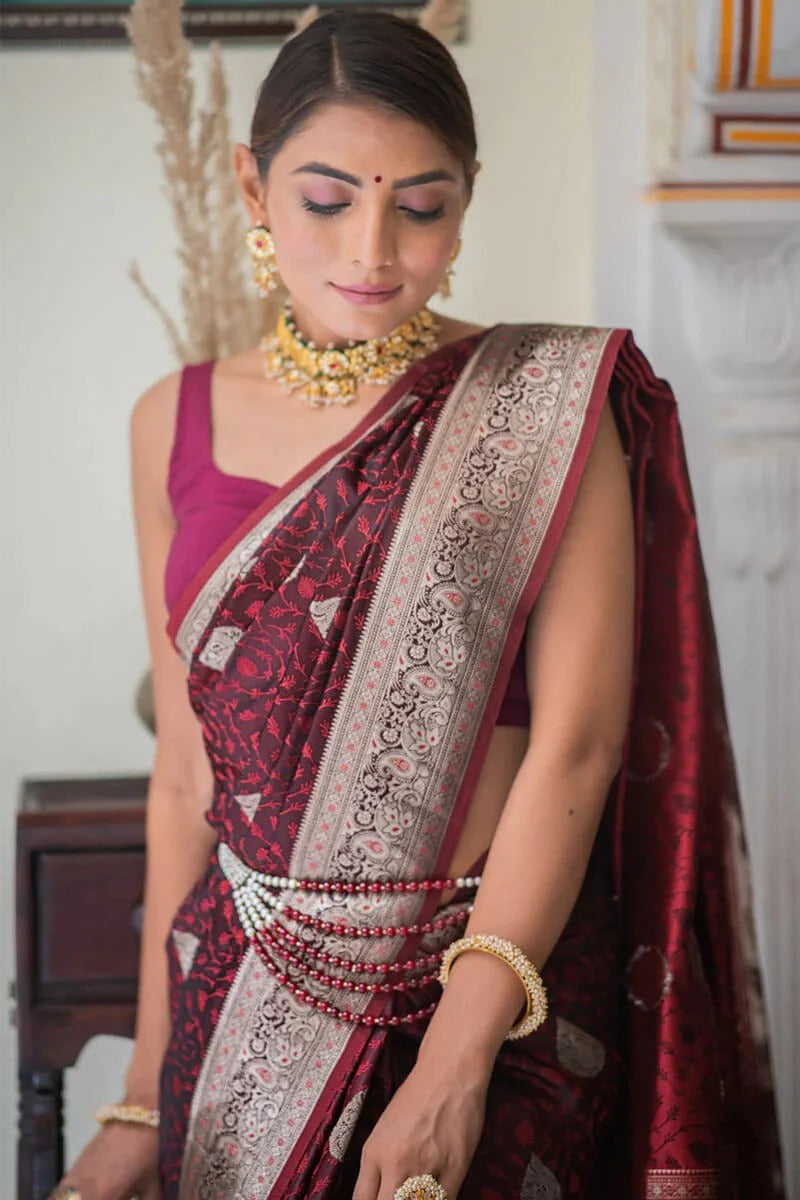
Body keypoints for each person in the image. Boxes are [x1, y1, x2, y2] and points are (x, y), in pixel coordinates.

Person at [51, 10, 785, 1200]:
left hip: (494, 1004)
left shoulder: (546, 405)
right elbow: (185, 774)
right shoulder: (168, 422)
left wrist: (451, 1067)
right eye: (326, 198)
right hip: (238, 1009)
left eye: (422, 206)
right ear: (251, 183)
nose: (373, 248)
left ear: (468, 195)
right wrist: (139, 1096)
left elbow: (579, 747)